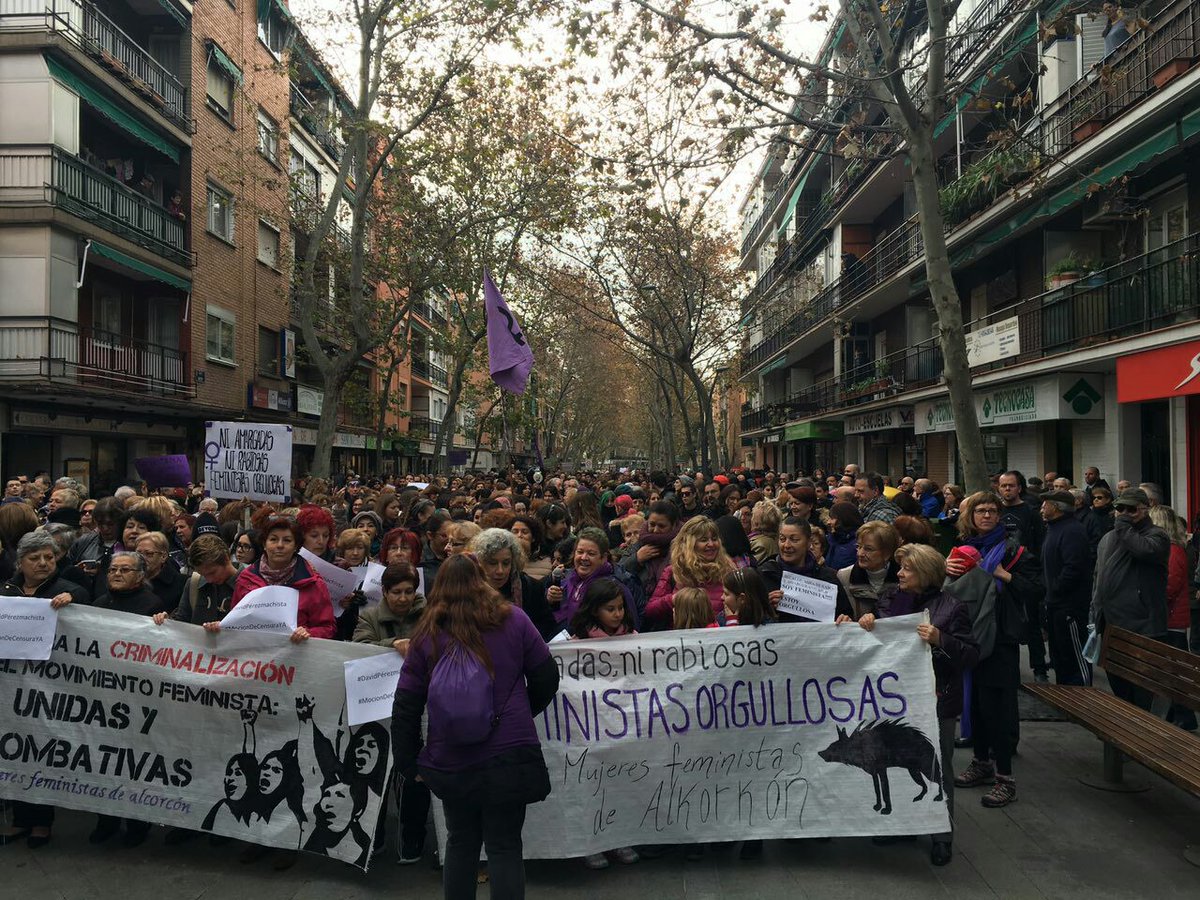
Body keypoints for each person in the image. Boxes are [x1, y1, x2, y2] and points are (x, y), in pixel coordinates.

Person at [391, 554, 559, 900]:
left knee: (461, 842)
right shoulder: (514, 619)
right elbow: (547, 676)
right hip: (509, 753)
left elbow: (406, 704)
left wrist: (409, 763)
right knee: (504, 846)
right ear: (482, 578)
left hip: (452, 756)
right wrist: (523, 711)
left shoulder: (427, 632)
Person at [845, 543, 978, 867]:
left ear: (926, 574)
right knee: (899, 761)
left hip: (936, 700)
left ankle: (941, 834)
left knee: (938, 766)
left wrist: (939, 640)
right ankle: (906, 825)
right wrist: (865, 621)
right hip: (894, 701)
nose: (900, 573)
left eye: (907, 569)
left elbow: (971, 654)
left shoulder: (952, 608)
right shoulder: (892, 599)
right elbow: (878, 637)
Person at [951, 491, 1041, 809]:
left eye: (992, 511)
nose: (987, 516)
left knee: (997, 709)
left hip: (1001, 639)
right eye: (981, 511)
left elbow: (1035, 590)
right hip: (970, 636)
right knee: (975, 704)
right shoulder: (965, 550)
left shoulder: (1014, 550)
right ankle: (981, 763)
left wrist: (1008, 577)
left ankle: (1005, 778)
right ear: (971, 517)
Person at [0, 531, 79, 847]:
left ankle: (41, 822)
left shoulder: (69, 590)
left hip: (50, 689)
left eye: (49, 557)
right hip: (10, 689)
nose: (44, 563)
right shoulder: (5, 592)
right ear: (20, 562)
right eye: (35, 558)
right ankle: (20, 818)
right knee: (13, 749)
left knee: (41, 751)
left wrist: (74, 604)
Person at [353, 562, 432, 861]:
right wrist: (392, 644)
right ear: (384, 592)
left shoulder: (431, 615)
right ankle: (378, 836)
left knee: (415, 774)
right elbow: (358, 647)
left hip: (420, 706)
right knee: (379, 775)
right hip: (379, 707)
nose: (402, 598)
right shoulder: (370, 616)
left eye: (409, 591)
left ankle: (413, 837)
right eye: (396, 592)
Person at [1089, 487, 1169, 711]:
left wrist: (1123, 526)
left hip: (1141, 627)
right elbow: (1098, 576)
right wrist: (1094, 611)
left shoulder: (1157, 536)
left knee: (1141, 694)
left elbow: (1144, 551)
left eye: (1131, 509)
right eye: (1119, 508)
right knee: (1120, 691)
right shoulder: (1108, 538)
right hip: (1110, 624)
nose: (1123, 513)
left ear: (1145, 510)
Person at [228, 517, 335, 642]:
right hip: (254, 657)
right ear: (264, 544)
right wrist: (218, 627)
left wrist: (309, 633)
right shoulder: (246, 579)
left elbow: (328, 628)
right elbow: (234, 622)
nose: (279, 545)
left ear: (296, 546)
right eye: (273, 539)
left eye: (287, 540)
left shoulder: (314, 583)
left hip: (294, 658)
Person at [1148, 506, 1196, 731]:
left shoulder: (1174, 551)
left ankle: (1184, 715)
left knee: (1175, 669)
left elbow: (1171, 585)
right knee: (1169, 669)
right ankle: (1175, 713)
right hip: (1168, 616)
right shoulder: (1168, 549)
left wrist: (1151, 601)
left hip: (1172, 619)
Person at [996, 471, 1048, 681]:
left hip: (1026, 574)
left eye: (1011, 485)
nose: (1007, 489)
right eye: (1003, 486)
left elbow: (1039, 543)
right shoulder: (995, 511)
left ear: (1020, 488)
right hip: (1000, 574)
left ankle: (1039, 669)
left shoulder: (1030, 512)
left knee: (1031, 622)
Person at [1039, 491, 1094, 686]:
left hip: (1069, 606)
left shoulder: (1072, 531)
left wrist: (1055, 589)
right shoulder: (1053, 528)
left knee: (1074, 656)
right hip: (1054, 604)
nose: (1042, 507)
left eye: (1045, 504)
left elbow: (1074, 568)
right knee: (1060, 656)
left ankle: (1082, 697)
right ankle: (1065, 697)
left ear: (1056, 507)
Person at [644, 516, 735, 627]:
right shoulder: (675, 572)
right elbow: (650, 610)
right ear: (689, 544)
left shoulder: (729, 570)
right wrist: (674, 599)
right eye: (704, 540)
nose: (711, 544)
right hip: (683, 641)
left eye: (714, 539)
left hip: (720, 641)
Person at [471, 528, 559, 642]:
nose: (500, 570)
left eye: (506, 563)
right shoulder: (468, 589)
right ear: (480, 562)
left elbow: (548, 628)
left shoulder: (531, 588)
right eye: (492, 563)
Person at [760, 517, 850, 622]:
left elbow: (845, 614)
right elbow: (749, 619)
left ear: (808, 543)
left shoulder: (827, 577)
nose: (787, 545)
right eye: (782, 539)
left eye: (794, 540)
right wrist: (766, 608)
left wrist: (845, 619)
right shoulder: (765, 574)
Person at [160, 534, 240, 628]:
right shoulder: (194, 583)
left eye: (212, 573)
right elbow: (181, 622)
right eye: (203, 574)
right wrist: (167, 621)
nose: (209, 580)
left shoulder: (250, 585)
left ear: (226, 559)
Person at [835, 521, 901, 618]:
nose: (860, 554)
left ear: (887, 553)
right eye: (858, 547)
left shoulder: (903, 577)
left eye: (868, 549)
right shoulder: (844, 576)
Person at [618, 500, 679, 599]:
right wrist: (637, 559)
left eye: (661, 526)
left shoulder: (681, 546)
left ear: (673, 526)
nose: (655, 530)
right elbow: (619, 571)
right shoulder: (639, 544)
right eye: (652, 524)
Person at [824, 502, 862, 570]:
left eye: (832, 518)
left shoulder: (859, 544)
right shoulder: (831, 538)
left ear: (843, 519)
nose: (828, 522)